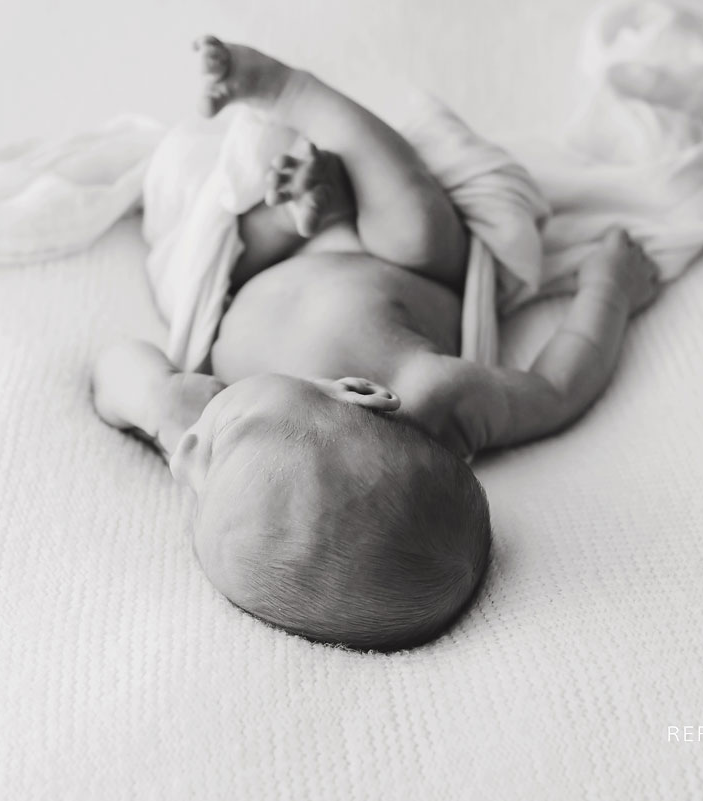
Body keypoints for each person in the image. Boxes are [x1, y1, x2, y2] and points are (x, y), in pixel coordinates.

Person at [92, 37, 659, 650]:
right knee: (414, 222)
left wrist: (154, 399)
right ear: (360, 392)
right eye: (215, 451)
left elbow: (109, 371)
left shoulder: (201, 431)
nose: (188, 456)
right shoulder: (438, 391)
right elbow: (558, 388)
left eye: (196, 496)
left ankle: (302, 194)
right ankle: (292, 94)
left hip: (270, 265)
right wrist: (610, 292)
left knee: (209, 272)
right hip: (415, 264)